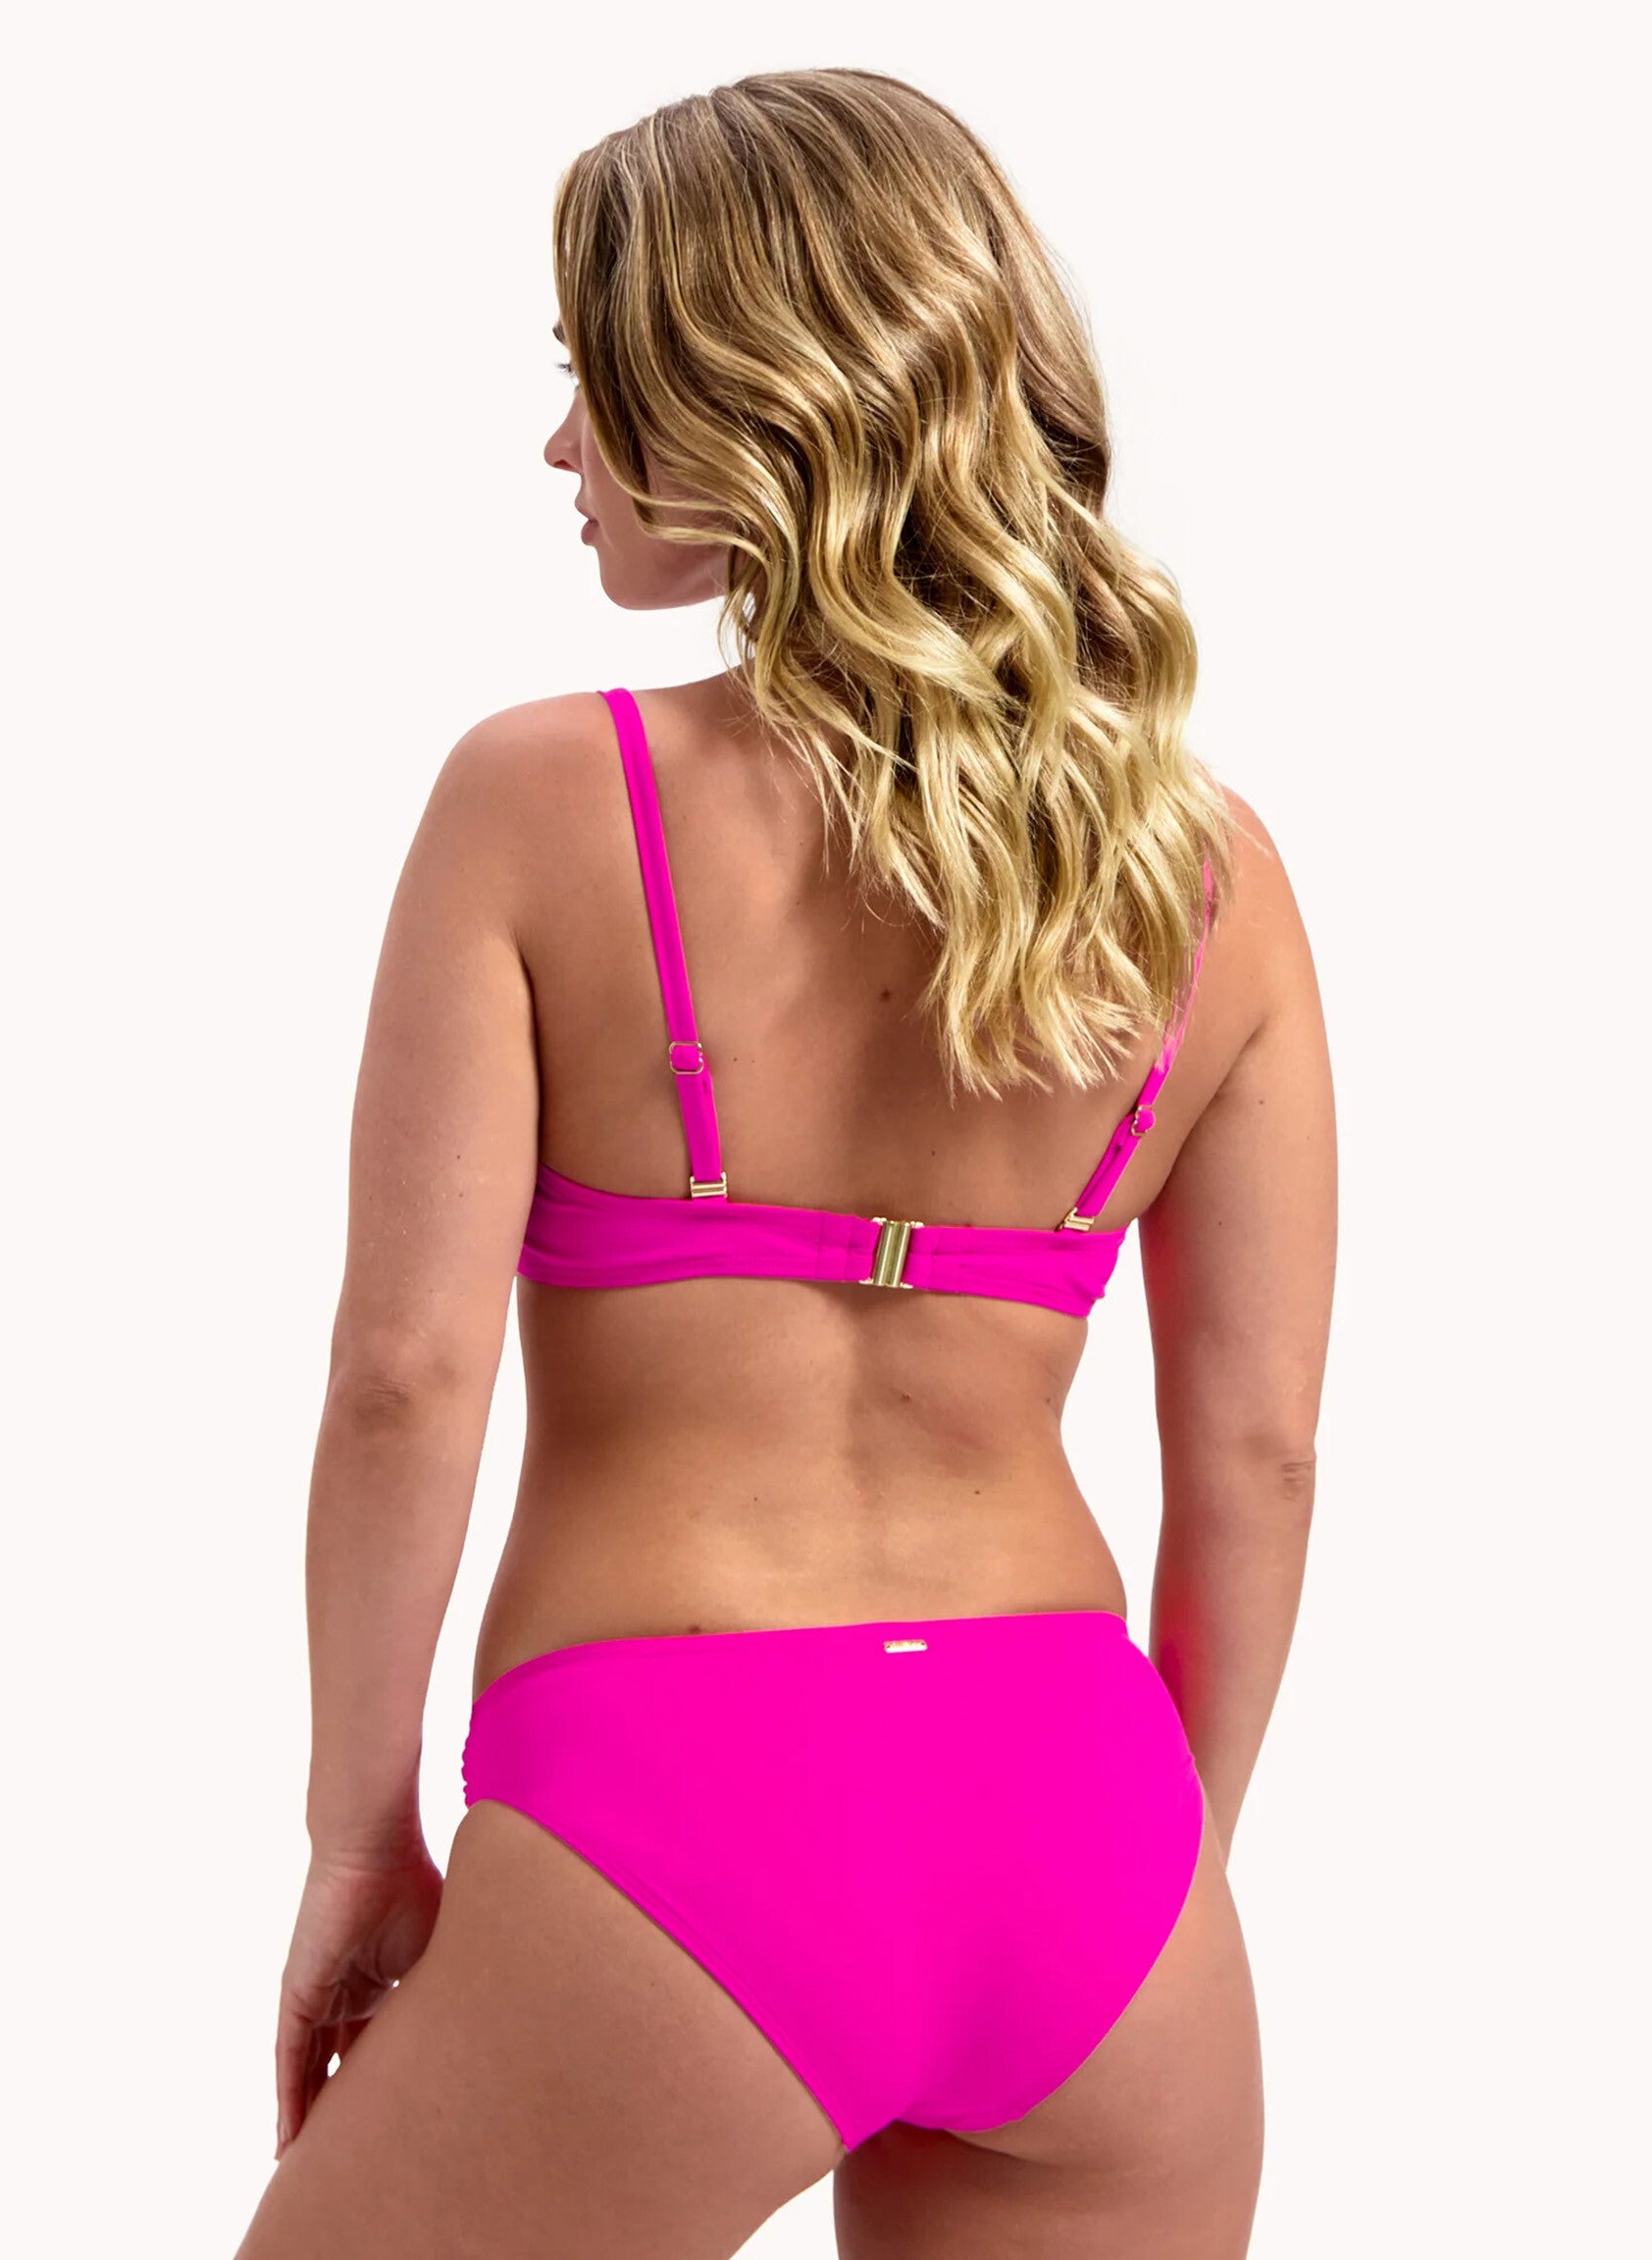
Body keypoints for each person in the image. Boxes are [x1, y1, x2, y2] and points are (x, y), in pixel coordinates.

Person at [235, 66, 1335, 2260]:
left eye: (600, 377)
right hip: (1088, 1824)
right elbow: (1262, 1453)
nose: (562, 447)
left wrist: (359, 1839)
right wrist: (1152, 1876)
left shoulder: (540, 801)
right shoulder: (1210, 878)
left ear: (754, 395)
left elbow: (403, 1383)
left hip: (682, 1807)